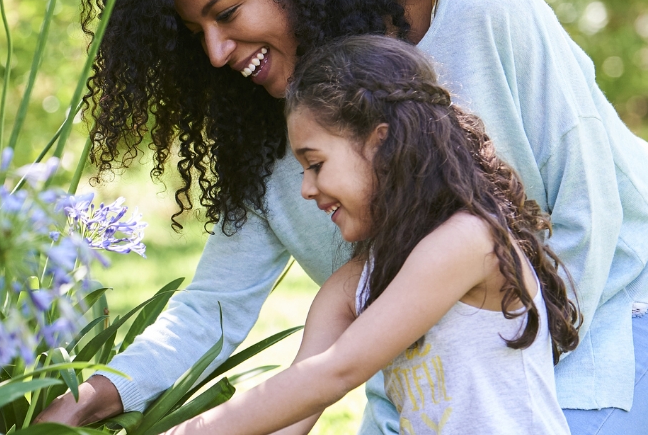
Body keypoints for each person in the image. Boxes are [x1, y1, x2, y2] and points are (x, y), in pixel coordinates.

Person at [35, 0, 648, 433]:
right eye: (195, 33)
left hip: (614, 309)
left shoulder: (480, 9)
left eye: (228, 13)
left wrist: (527, 384)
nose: (214, 51)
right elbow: (212, 311)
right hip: (432, 379)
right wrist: (96, 393)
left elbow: (593, 206)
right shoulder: (281, 140)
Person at [163, 34, 580, 434]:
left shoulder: (469, 242)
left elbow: (335, 372)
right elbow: (296, 405)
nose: (306, 189)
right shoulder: (354, 284)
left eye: (316, 164)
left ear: (380, 144)